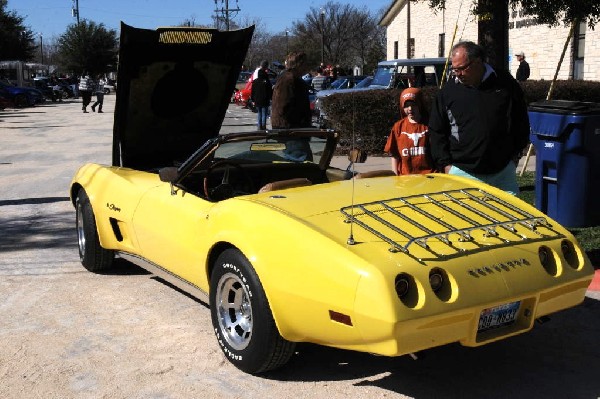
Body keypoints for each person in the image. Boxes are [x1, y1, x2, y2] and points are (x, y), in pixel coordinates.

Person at [428, 41, 530, 195]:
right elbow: (436, 129)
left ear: (478, 62)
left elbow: (520, 120)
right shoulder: (448, 92)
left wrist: (515, 155)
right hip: (462, 172)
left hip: (502, 173)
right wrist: (446, 165)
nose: (458, 74)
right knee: (462, 219)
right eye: (454, 69)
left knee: (511, 217)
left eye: (462, 69)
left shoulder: (506, 84)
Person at [271, 52, 313, 161]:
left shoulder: (287, 78)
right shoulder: (290, 80)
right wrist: (303, 119)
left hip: (291, 130)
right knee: (302, 163)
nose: (308, 66)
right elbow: (284, 108)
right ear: (298, 64)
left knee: (301, 162)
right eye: (305, 63)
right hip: (292, 131)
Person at [384, 87, 435, 175]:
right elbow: (394, 155)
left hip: (429, 176)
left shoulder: (430, 124)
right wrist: (395, 175)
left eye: (413, 105)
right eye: (406, 106)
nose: (410, 109)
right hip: (406, 178)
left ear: (420, 105)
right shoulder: (398, 127)